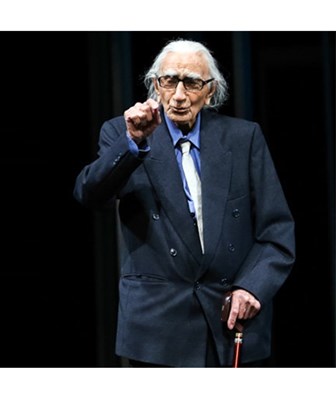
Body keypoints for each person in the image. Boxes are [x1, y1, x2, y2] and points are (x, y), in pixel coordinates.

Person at [73, 38, 296, 367]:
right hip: (156, 326)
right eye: (169, 81)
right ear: (155, 86)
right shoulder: (124, 133)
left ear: (210, 91)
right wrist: (132, 142)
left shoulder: (243, 138)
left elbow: (276, 231)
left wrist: (252, 287)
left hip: (227, 320)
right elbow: (90, 194)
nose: (179, 95)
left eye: (191, 83)